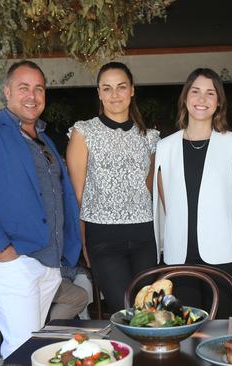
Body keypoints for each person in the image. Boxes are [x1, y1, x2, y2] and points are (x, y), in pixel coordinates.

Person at [0, 60, 81, 357]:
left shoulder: (45, 140)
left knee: (30, 351)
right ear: (7, 92)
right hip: (13, 262)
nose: (32, 95)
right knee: (22, 349)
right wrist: (3, 251)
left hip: (49, 264)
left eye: (38, 88)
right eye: (24, 87)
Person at [66, 61, 160, 314]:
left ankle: (145, 354)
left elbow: (150, 189)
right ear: (99, 93)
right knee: (126, 312)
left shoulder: (150, 137)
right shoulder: (83, 132)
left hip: (145, 236)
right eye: (107, 88)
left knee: (147, 311)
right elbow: (77, 194)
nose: (114, 95)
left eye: (121, 87)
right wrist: (83, 240)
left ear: (132, 90)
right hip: (103, 239)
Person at [153, 68, 232, 318]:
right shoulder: (165, 146)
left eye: (210, 93)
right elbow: (165, 203)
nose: (202, 99)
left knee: (222, 332)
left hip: (225, 254)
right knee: (185, 332)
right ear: (185, 98)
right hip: (179, 256)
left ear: (219, 102)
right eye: (195, 92)